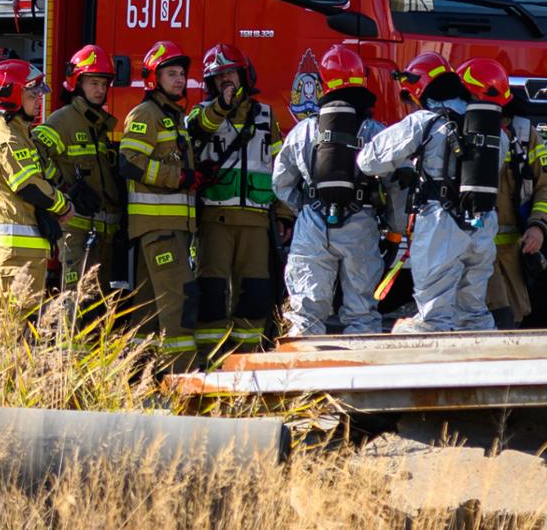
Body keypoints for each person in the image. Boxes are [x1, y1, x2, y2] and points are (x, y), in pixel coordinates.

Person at [358, 57, 511, 333]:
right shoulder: (496, 134)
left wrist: (407, 164)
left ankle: (426, 370)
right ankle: (483, 370)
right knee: (474, 314)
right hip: (483, 225)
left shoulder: (423, 122)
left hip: (440, 226)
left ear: (421, 90)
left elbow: (368, 161)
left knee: (433, 317)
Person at [273, 46, 391, 336]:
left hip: (312, 224)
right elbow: (395, 184)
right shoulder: (376, 131)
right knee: (362, 312)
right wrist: (396, 227)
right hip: (360, 224)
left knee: (305, 315)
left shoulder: (304, 130)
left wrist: (305, 209)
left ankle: (303, 377)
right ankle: (362, 375)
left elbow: (280, 182)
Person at [186, 44, 282, 354]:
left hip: (256, 221)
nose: (226, 82)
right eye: (219, 78)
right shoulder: (202, 114)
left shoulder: (267, 116)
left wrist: (285, 214)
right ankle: (210, 362)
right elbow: (200, 129)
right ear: (210, 84)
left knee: (254, 295)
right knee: (211, 295)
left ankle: (246, 361)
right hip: (215, 220)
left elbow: (282, 170)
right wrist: (221, 106)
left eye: (231, 75)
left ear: (245, 75)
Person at [119, 41, 201, 371]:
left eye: (182, 74)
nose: (179, 80)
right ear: (154, 78)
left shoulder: (173, 117)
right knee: (179, 302)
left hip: (168, 227)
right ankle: (184, 381)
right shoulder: (146, 114)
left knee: (147, 309)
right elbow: (129, 163)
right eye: (171, 73)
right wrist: (178, 177)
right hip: (159, 227)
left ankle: (136, 377)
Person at [0, 59, 82, 305]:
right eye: (32, 93)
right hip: (16, 253)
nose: (39, 99)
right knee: (14, 325)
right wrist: (63, 206)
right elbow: (29, 186)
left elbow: (42, 176)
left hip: (26, 251)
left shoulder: (22, 135)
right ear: (11, 96)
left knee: (25, 323)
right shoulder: (7, 141)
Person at [34, 44, 123, 291]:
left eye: (104, 84)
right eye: (94, 82)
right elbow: (34, 153)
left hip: (103, 233)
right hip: (77, 232)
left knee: (97, 303)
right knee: (75, 302)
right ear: (77, 82)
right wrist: (62, 187)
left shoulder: (99, 124)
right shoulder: (63, 120)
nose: (100, 90)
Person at [489, 76, 547, 328]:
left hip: (511, 251)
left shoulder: (524, 136)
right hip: (469, 250)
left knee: (513, 316)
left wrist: (538, 226)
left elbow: (546, 185)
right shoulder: (458, 129)